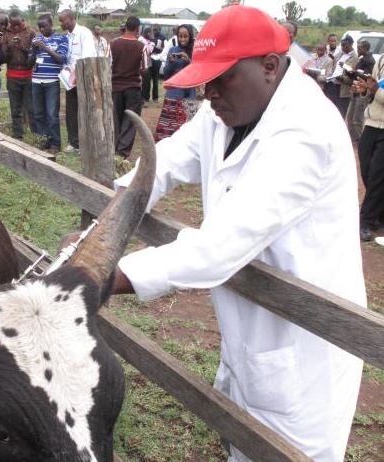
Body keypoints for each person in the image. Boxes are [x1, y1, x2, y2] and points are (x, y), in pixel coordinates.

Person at [113, 5, 365, 461]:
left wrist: (104, 275)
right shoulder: (223, 111)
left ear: (269, 67)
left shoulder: (305, 130)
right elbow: (164, 161)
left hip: (300, 352)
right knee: (241, 442)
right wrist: (107, 223)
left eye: (221, 78)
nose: (208, 93)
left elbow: (218, 246)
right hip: (247, 330)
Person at [354, 56, 384, 242]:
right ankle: (379, 214)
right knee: (366, 170)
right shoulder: (382, 60)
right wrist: (366, 91)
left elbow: (378, 91)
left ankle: (364, 220)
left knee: (376, 175)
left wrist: (376, 90)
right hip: (372, 123)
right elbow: (372, 95)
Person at [28, 14, 68, 154]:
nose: (42, 29)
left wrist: (45, 48)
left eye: (44, 26)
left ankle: (55, 144)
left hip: (51, 82)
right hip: (36, 81)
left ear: (51, 24)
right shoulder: (36, 39)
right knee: (38, 114)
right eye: (40, 27)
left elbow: (61, 59)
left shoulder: (61, 38)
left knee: (51, 114)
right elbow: (29, 63)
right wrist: (34, 52)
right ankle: (43, 142)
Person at [58, 9, 97, 153]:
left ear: (71, 18)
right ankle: (74, 143)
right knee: (71, 111)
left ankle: (86, 143)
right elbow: (67, 57)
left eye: (63, 20)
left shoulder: (84, 33)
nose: (61, 23)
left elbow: (87, 57)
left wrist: (75, 72)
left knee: (84, 110)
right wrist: (66, 70)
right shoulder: (67, 36)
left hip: (83, 78)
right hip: (69, 80)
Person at [109, 16, 147, 159]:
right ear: (138, 28)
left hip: (115, 88)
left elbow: (106, 64)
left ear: (125, 27)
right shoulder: (141, 46)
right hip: (133, 88)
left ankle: (114, 149)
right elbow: (145, 68)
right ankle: (122, 153)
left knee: (116, 119)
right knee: (130, 120)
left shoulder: (112, 44)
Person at [154, 24, 198, 141]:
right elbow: (167, 75)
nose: (182, 39)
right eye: (180, 36)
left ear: (190, 36)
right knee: (168, 132)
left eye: (185, 36)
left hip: (189, 96)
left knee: (189, 132)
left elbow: (197, 73)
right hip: (173, 94)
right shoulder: (173, 50)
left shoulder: (196, 51)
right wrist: (171, 62)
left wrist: (188, 61)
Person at [1, 10, 36, 140]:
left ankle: (36, 136)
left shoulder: (31, 32)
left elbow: (34, 55)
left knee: (31, 108)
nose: (15, 27)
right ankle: (18, 136)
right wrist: (8, 47)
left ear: (23, 20)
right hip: (12, 76)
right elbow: (3, 58)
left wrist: (22, 48)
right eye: (13, 24)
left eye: (18, 24)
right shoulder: (5, 33)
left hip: (28, 77)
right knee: (15, 109)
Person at [346, 40, 375, 143]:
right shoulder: (361, 59)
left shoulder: (370, 61)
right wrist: (349, 71)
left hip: (362, 93)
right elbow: (356, 74)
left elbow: (368, 77)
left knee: (357, 119)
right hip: (355, 90)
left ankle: (358, 141)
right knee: (349, 117)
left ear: (365, 49)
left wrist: (355, 72)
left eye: (360, 48)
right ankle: (351, 138)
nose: (357, 50)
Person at [324, 35, 357, 118]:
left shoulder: (355, 58)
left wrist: (342, 77)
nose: (342, 47)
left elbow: (352, 75)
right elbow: (334, 62)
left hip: (343, 89)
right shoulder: (340, 53)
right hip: (333, 84)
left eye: (345, 45)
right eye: (341, 45)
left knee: (340, 113)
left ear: (351, 45)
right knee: (330, 110)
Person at [144, 26, 165, 103]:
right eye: (154, 30)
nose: (155, 31)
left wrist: (159, 48)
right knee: (148, 79)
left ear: (159, 29)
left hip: (157, 59)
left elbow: (164, 48)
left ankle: (155, 98)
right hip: (150, 59)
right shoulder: (149, 38)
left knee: (155, 78)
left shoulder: (162, 37)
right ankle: (146, 97)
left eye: (156, 30)